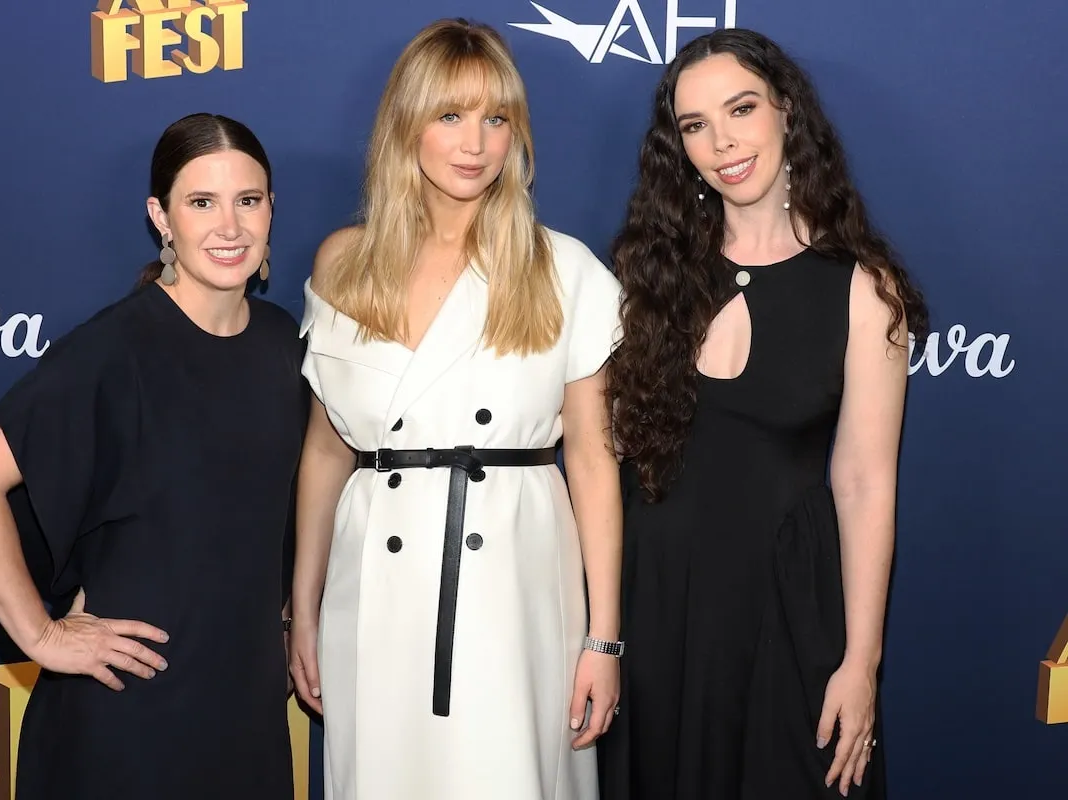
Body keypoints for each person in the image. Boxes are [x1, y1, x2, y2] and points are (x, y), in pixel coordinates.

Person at [288, 18, 623, 800]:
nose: (475, 143)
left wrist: (603, 637)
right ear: (406, 126)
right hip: (373, 587)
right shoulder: (343, 263)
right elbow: (326, 451)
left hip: (514, 582)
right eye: (450, 116)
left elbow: (593, 461)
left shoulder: (562, 268)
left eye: (496, 119)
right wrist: (301, 609)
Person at [597, 29, 929, 800]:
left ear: (786, 110)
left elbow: (865, 484)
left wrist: (861, 662)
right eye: (695, 126)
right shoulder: (641, 276)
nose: (723, 142)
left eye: (740, 109)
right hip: (656, 611)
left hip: (785, 614)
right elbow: (600, 453)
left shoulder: (861, 288)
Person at [0, 113, 305, 800]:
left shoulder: (285, 343)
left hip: (245, 709)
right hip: (128, 717)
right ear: (160, 217)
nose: (230, 227)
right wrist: (42, 637)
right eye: (201, 202)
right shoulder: (119, 348)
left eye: (247, 201)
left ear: (271, 209)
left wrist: (285, 620)